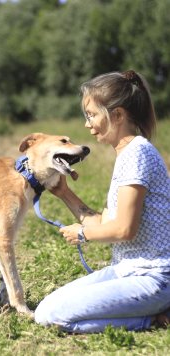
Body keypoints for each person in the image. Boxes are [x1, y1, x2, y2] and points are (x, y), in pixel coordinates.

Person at [34, 70, 170, 334]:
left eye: (92, 114)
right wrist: (64, 193)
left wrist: (83, 234)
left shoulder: (137, 154)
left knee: (50, 316)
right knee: (46, 308)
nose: (87, 124)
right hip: (126, 271)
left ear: (117, 115)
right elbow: (106, 223)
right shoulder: (127, 155)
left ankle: (154, 319)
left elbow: (123, 230)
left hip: (152, 278)